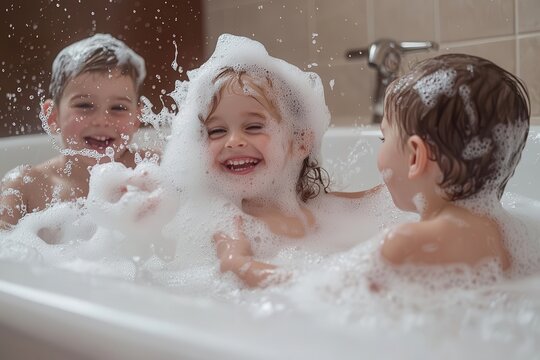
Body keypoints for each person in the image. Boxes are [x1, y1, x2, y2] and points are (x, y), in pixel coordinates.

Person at [377, 53, 529, 270]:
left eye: (383, 138)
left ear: (415, 157)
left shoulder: (403, 245)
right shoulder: (505, 237)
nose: (381, 145)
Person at [0, 33, 147, 229]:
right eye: (85, 105)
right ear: (52, 116)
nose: (102, 120)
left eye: (118, 108)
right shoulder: (26, 186)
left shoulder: (151, 170)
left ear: (137, 118)